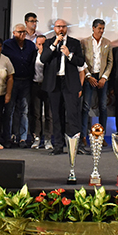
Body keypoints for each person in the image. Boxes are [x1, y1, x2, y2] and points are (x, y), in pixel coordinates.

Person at [40, 19, 85, 155]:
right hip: (54, 83)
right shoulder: (48, 42)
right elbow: (43, 59)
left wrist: (69, 54)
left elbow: (81, 61)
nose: (61, 29)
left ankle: (75, 145)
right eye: (58, 26)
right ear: (54, 28)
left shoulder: (74, 43)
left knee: (72, 114)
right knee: (56, 115)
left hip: (70, 82)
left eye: (63, 27)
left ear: (66, 29)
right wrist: (54, 44)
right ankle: (58, 145)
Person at [2, 23, 35, 148]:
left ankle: (23, 138)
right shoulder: (7, 45)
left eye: (24, 32)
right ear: (14, 33)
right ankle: (7, 137)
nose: (22, 34)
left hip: (26, 81)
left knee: (24, 110)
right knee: (9, 110)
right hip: (12, 80)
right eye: (19, 32)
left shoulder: (31, 46)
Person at [81, 19, 113, 146]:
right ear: (93, 28)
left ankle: (101, 136)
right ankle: (83, 136)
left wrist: (104, 77)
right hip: (89, 77)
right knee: (85, 107)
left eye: (103, 28)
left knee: (103, 107)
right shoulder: (84, 42)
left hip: (102, 77)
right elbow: (82, 60)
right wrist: (88, 75)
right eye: (99, 28)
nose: (101, 31)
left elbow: (110, 62)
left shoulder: (107, 43)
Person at [30, 35, 54, 150]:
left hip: (48, 87)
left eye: (43, 44)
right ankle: (37, 137)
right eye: (39, 44)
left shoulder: (49, 55)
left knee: (49, 114)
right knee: (36, 113)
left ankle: (48, 139)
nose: (41, 46)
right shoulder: (33, 54)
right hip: (36, 85)